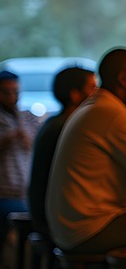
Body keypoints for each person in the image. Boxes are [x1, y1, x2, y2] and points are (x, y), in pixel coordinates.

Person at [46, 48, 126, 254]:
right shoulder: (115, 114)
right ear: (123, 79)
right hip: (90, 229)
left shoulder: (97, 106)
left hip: (69, 227)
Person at [27, 66, 97, 235]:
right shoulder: (66, 127)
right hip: (53, 218)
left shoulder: (55, 122)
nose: (99, 95)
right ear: (75, 94)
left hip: (43, 212)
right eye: (93, 88)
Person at [1, 70, 40, 218]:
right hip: (4, 193)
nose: (12, 97)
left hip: (25, 191)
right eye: (6, 92)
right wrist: (9, 137)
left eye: (15, 92)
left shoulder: (27, 117)